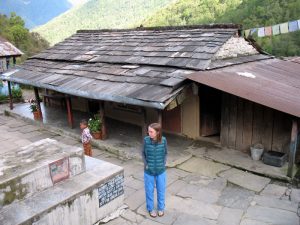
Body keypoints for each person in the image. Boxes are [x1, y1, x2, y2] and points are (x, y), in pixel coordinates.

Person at [142, 123, 168, 218]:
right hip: (149, 171)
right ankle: (150, 209)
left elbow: (166, 153)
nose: (149, 133)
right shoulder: (146, 140)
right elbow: (143, 153)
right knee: (149, 191)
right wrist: (146, 164)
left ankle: (161, 208)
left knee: (161, 190)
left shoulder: (164, 140)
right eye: (148, 131)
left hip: (161, 171)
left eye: (151, 131)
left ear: (157, 132)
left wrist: (164, 163)